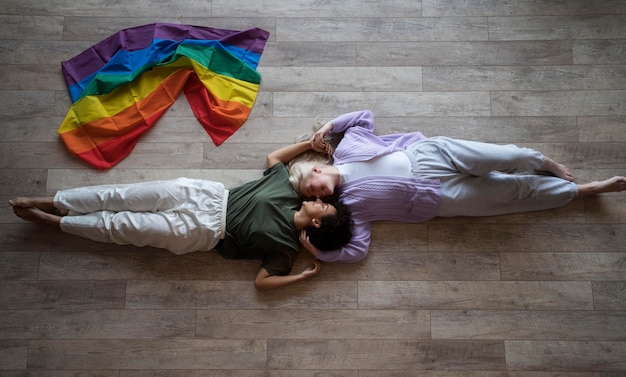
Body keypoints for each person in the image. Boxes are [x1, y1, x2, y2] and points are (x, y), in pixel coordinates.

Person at [290, 110, 626, 264]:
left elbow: (363, 117)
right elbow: (358, 250)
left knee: (502, 157)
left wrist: (329, 127)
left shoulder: (347, 148)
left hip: (432, 155)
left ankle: (541, 161)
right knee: (507, 194)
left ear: (317, 168)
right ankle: (582, 191)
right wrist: (319, 253)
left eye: (311, 187)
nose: (317, 194)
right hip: (438, 199)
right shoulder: (349, 207)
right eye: (311, 198)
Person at [9, 141, 353, 290]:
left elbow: (262, 283)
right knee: (121, 195)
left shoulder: (285, 250)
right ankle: (53, 200)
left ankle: (59, 222)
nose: (319, 199)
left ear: (318, 221)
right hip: (203, 193)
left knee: (125, 226)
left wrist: (303, 276)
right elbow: (275, 157)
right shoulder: (286, 187)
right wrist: (309, 144)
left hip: (200, 232)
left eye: (323, 204)